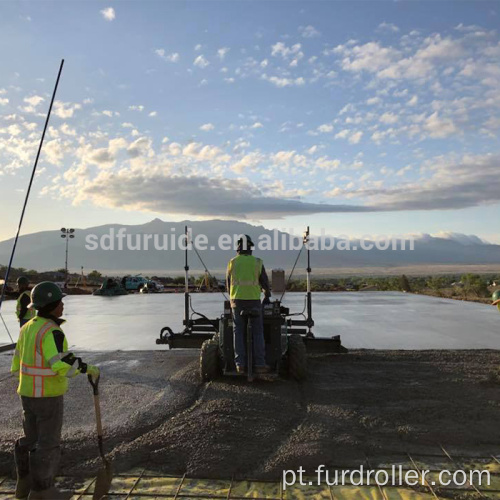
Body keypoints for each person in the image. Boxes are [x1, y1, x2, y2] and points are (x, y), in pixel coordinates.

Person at [10, 282, 100, 500]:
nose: (62, 306)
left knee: (30, 440)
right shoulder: (52, 331)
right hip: (47, 396)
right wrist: (88, 369)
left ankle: (24, 484)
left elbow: (16, 364)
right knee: (48, 443)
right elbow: (60, 364)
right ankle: (43, 491)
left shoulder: (28, 326)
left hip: (27, 394)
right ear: (51, 305)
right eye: (60, 302)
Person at [226, 235, 271, 374]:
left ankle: (240, 364)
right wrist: (267, 296)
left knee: (238, 331)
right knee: (258, 331)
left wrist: (232, 297)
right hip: (254, 301)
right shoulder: (257, 262)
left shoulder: (232, 262)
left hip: (237, 302)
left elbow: (228, 285)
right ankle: (260, 364)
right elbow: (264, 283)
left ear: (238, 247)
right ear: (250, 248)